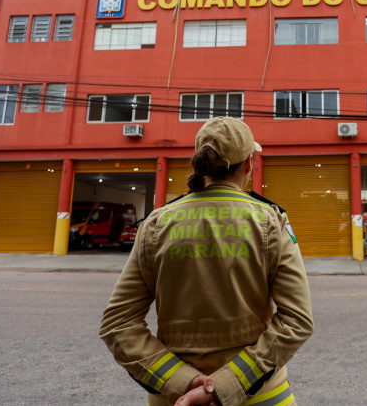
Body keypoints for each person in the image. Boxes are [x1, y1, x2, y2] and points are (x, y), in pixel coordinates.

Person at [99, 117, 314, 406]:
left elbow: (118, 324)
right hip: (260, 395)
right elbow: (297, 320)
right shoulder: (269, 221)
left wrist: (182, 380)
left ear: (202, 164)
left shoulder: (156, 224)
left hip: (176, 399)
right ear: (249, 163)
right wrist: (226, 385)